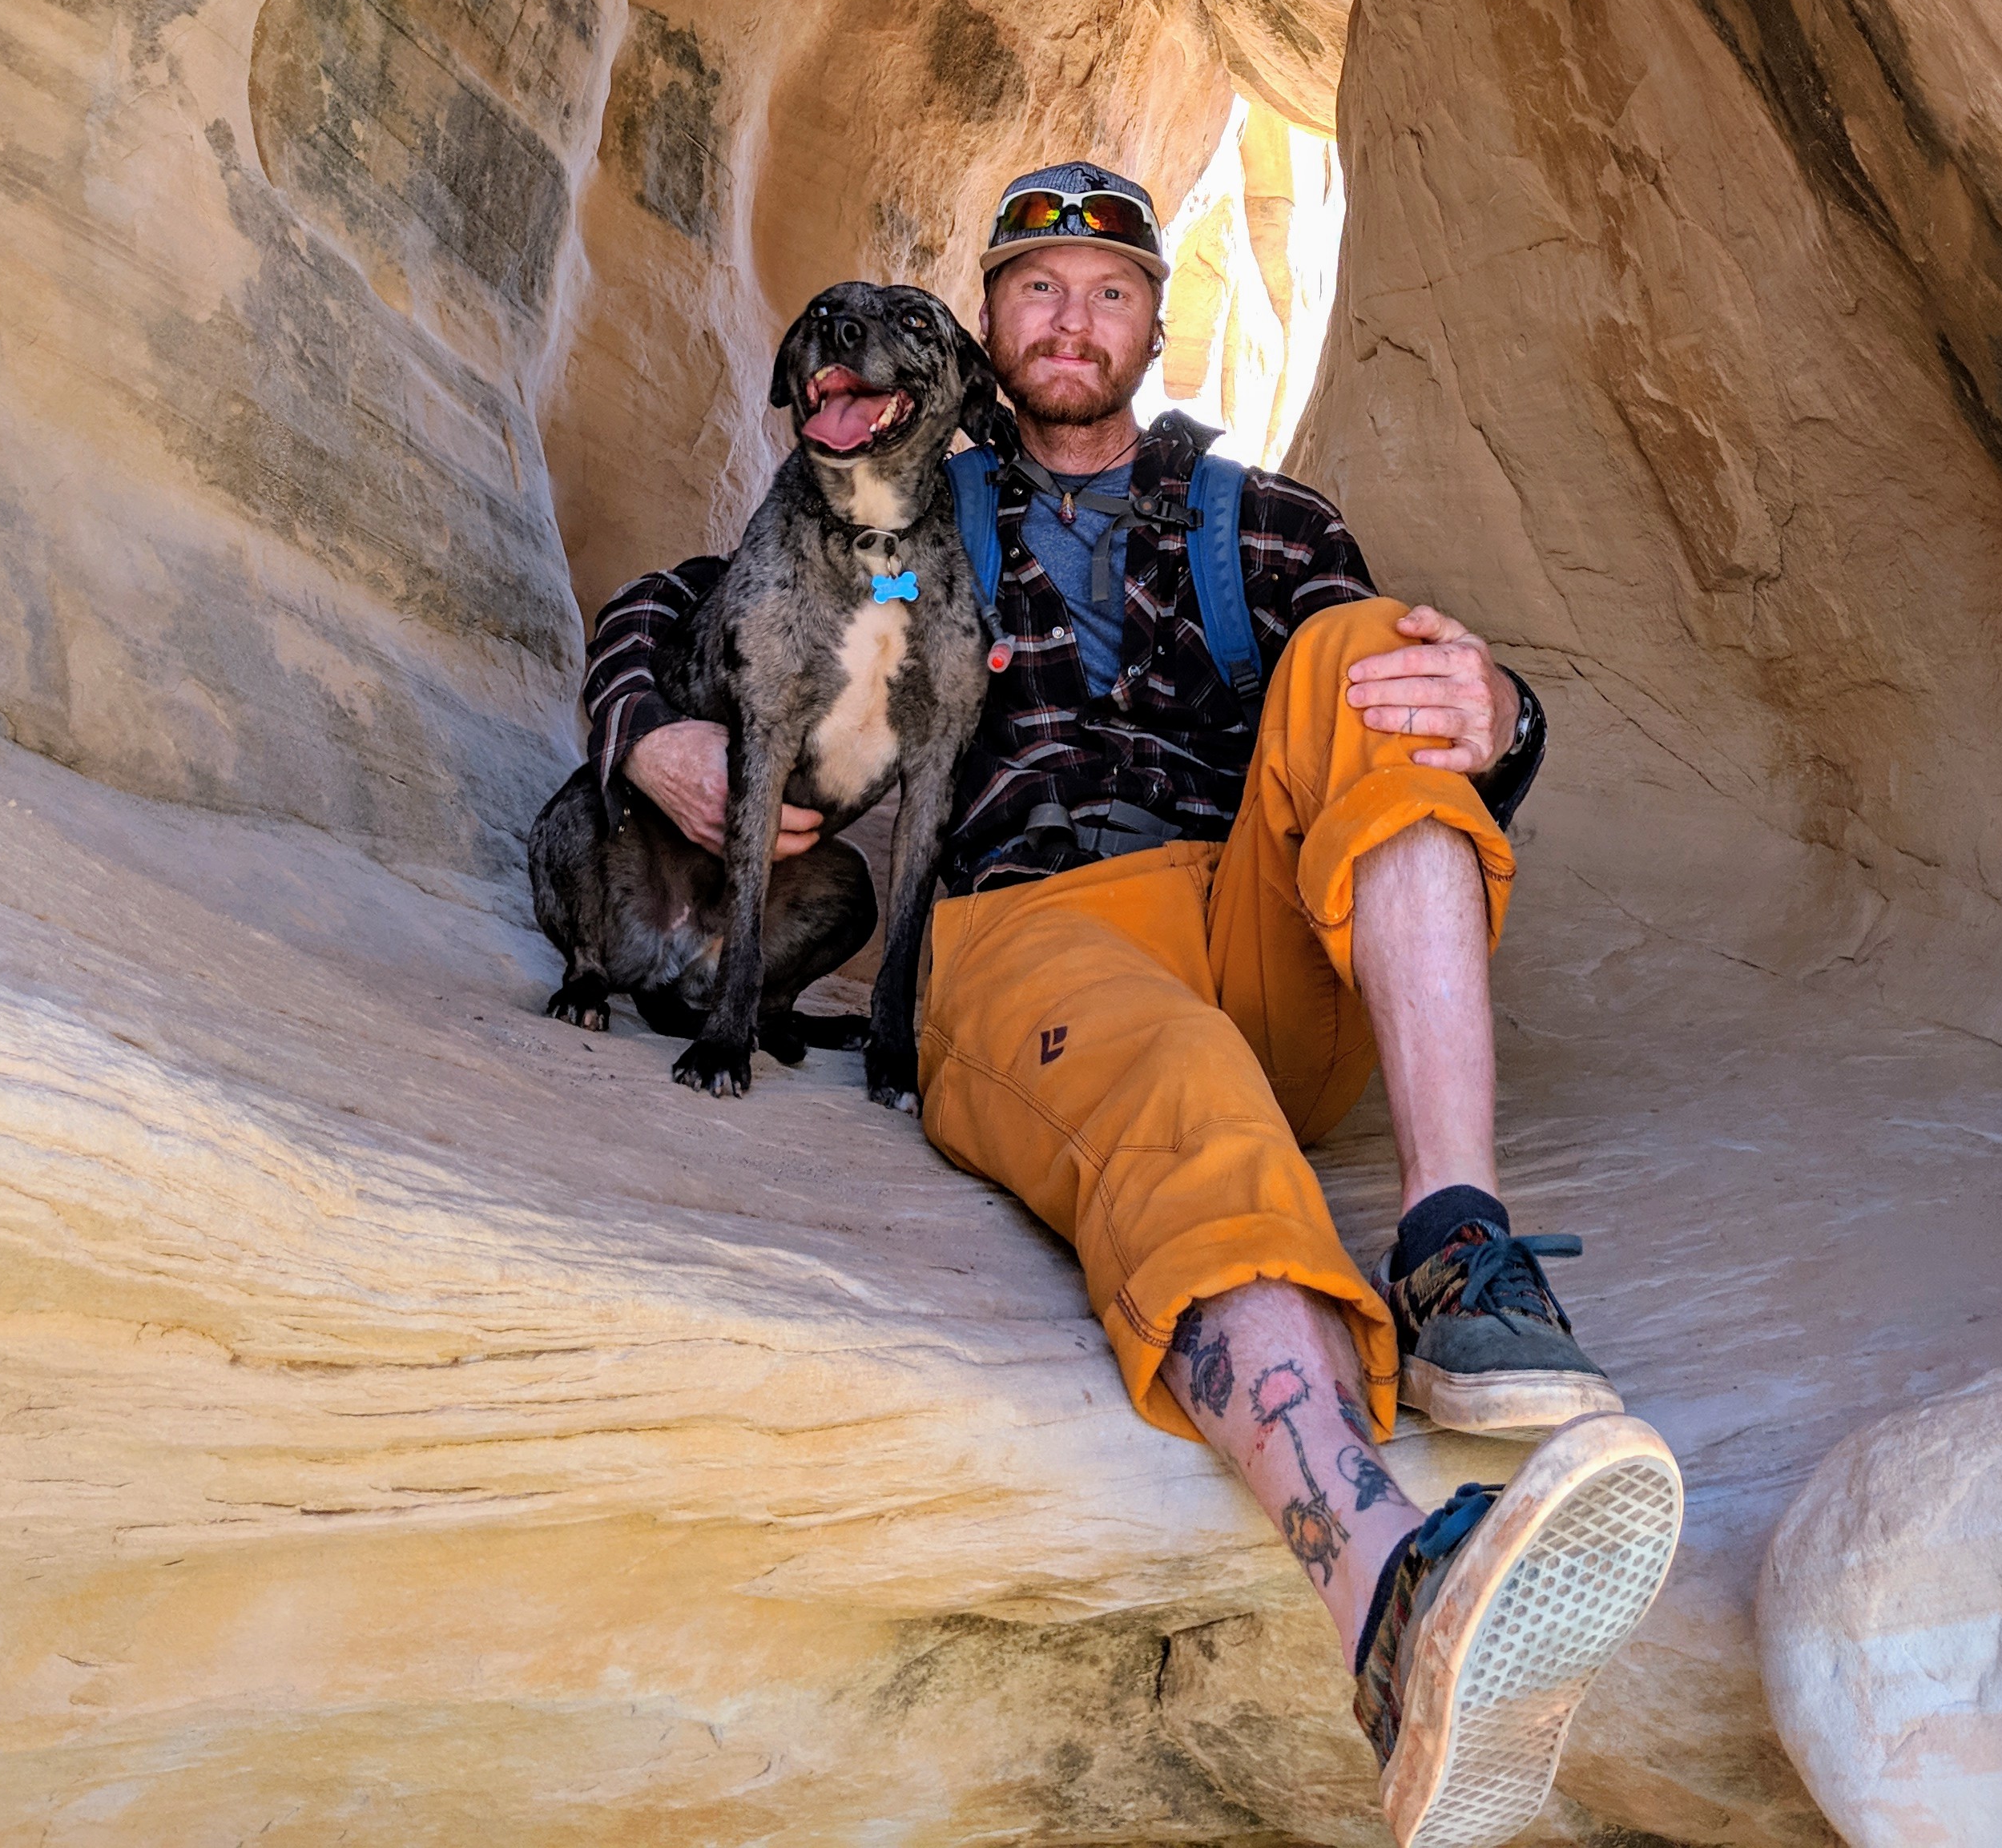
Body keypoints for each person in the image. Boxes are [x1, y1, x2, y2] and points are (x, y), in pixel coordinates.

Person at [582, 159, 1682, 1846]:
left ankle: (1462, 1239)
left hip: (1256, 931)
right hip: (1032, 934)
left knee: (1373, 643)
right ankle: (1393, 1598)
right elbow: (683, 600)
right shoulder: (895, 499)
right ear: (985, 327)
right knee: (1181, 1095)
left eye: (1106, 288)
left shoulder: (1268, 522)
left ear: (1157, 319)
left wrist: (1502, 713)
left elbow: (1391, 745)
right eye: (1034, 286)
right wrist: (651, 736)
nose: (1071, 316)